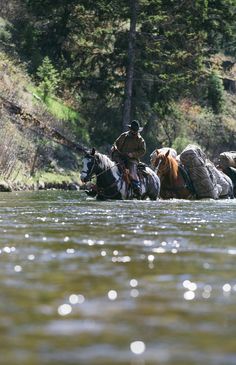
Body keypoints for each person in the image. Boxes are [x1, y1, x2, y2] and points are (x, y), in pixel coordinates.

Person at [111, 120, 146, 196]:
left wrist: (132, 154)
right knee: (110, 167)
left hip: (132, 160)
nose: (134, 132)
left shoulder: (140, 140)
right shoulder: (124, 136)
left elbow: (142, 151)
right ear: (130, 129)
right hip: (120, 156)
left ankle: (136, 187)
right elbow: (116, 143)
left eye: (136, 131)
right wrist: (114, 148)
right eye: (133, 131)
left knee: (132, 171)